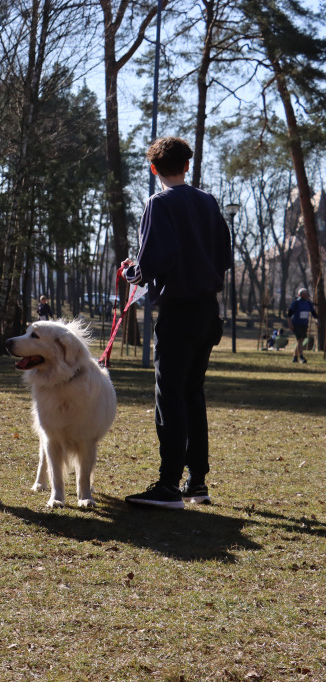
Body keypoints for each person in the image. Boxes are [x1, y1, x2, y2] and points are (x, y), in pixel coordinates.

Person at [120, 137, 231, 509]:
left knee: (169, 396)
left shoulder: (159, 202)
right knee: (192, 394)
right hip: (207, 311)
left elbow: (151, 262)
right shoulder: (208, 202)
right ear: (187, 165)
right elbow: (224, 255)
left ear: (154, 168)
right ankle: (196, 481)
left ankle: (168, 484)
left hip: (178, 311)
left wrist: (131, 272)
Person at [287, 287, 317, 364]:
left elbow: (313, 312)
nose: (306, 295)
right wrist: (290, 324)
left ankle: (295, 357)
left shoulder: (308, 303)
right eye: (304, 294)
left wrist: (317, 319)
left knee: (300, 341)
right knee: (300, 340)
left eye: (306, 293)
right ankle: (301, 357)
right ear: (300, 295)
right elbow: (289, 315)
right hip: (296, 324)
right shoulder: (296, 303)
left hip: (304, 324)